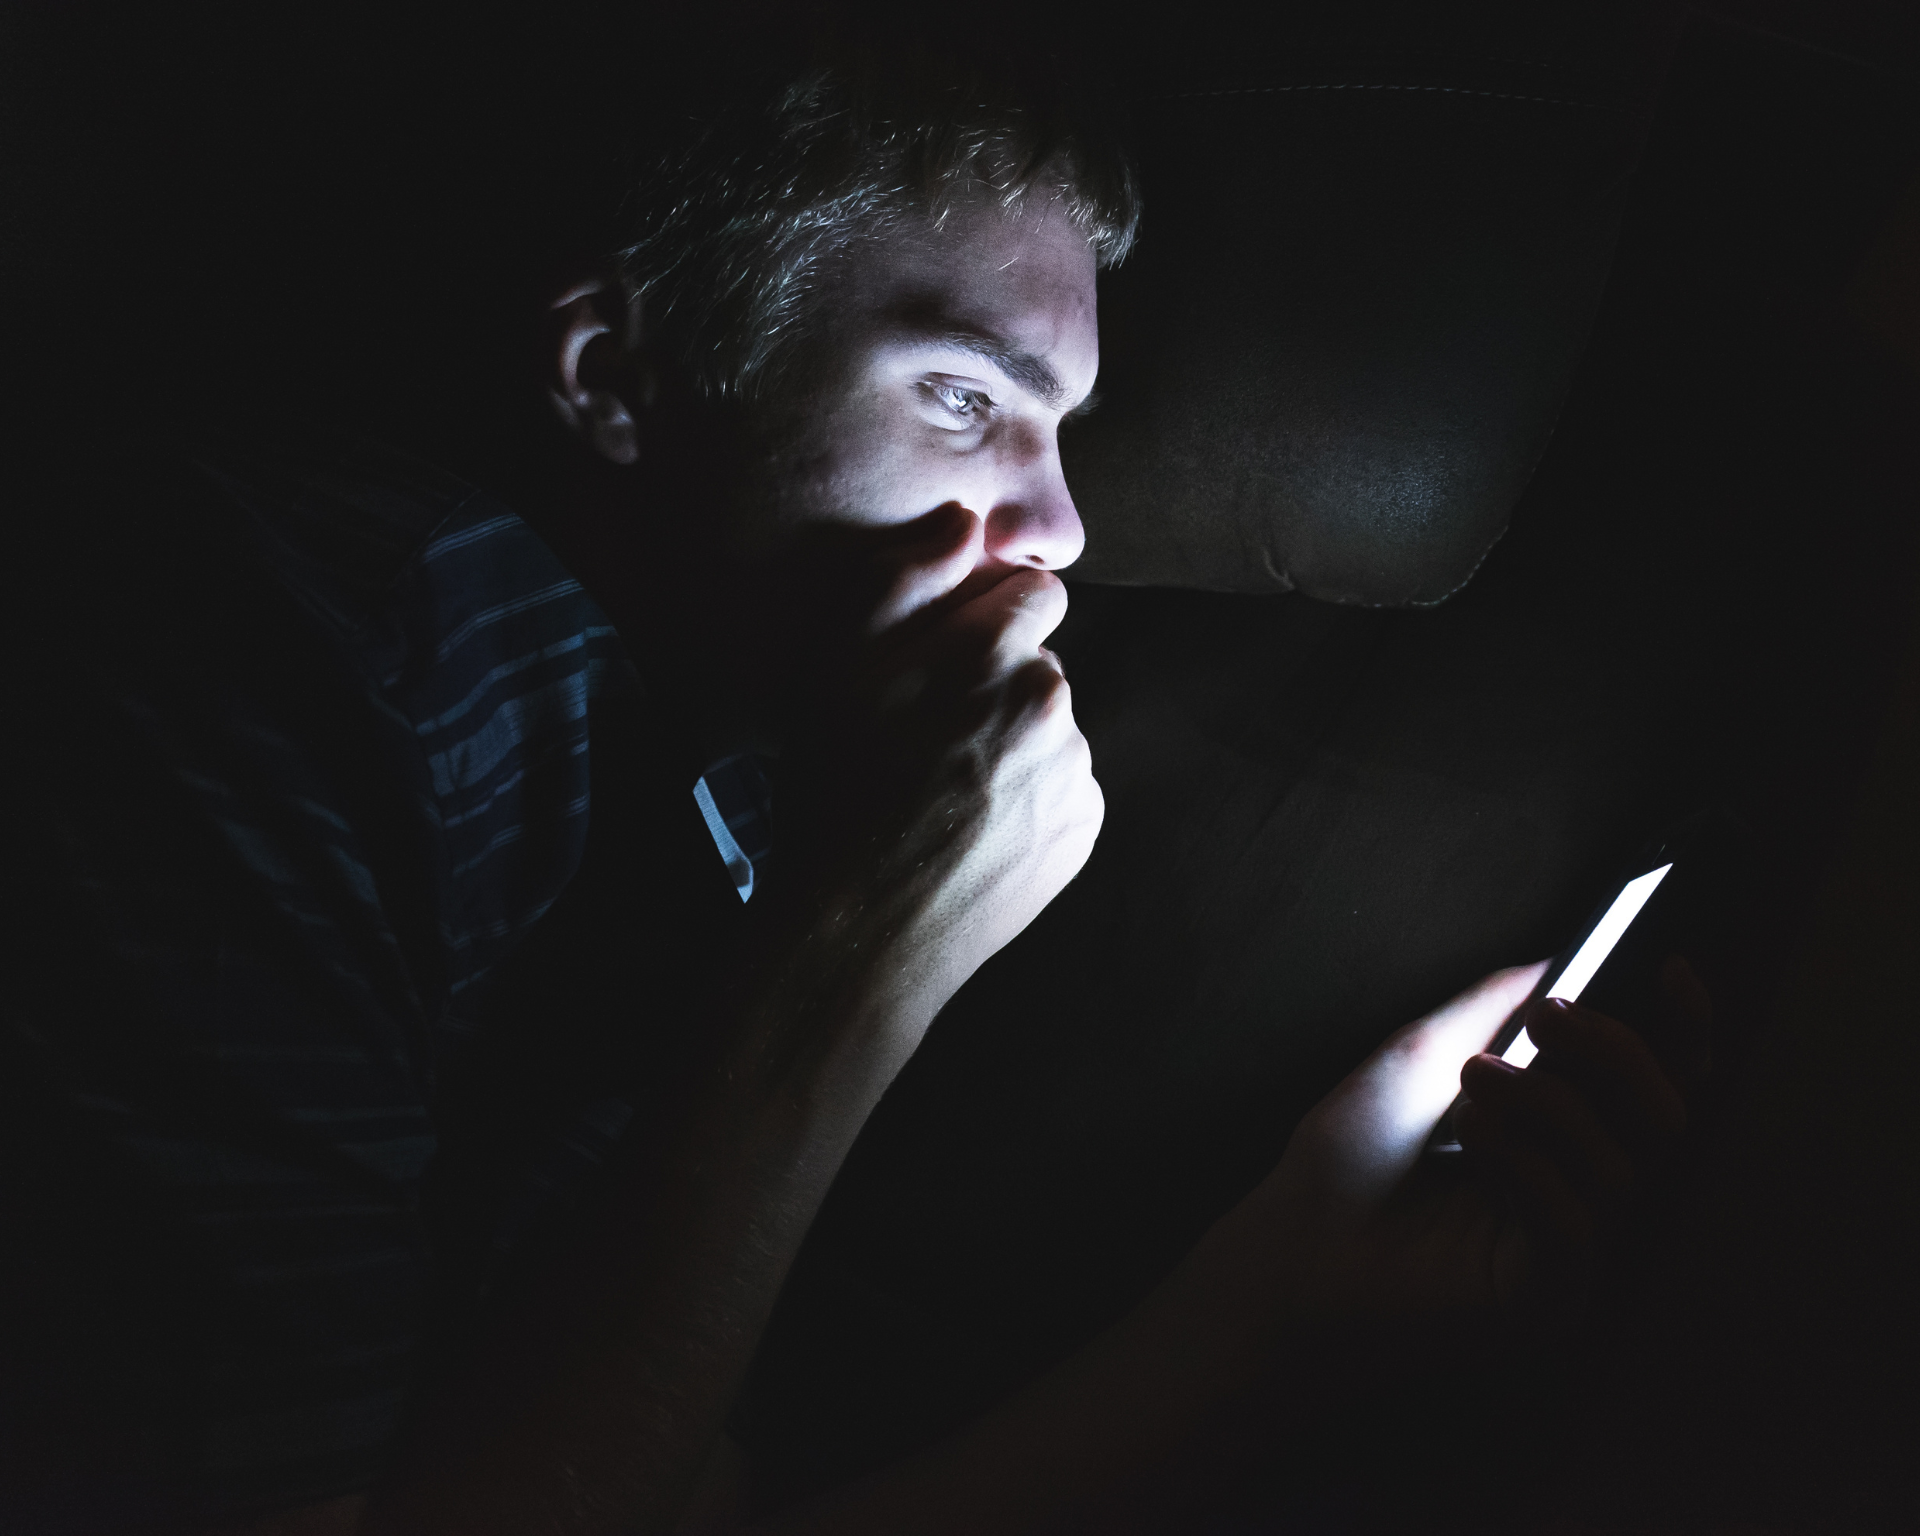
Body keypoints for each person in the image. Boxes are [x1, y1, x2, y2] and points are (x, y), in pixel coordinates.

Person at [2, 34, 1713, 1536]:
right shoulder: (262, 647)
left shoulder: (737, 739)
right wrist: (862, 955)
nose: (1060, 533)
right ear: (610, 373)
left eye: (1059, 433)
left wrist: (1279, 1297)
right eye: (966, 397)